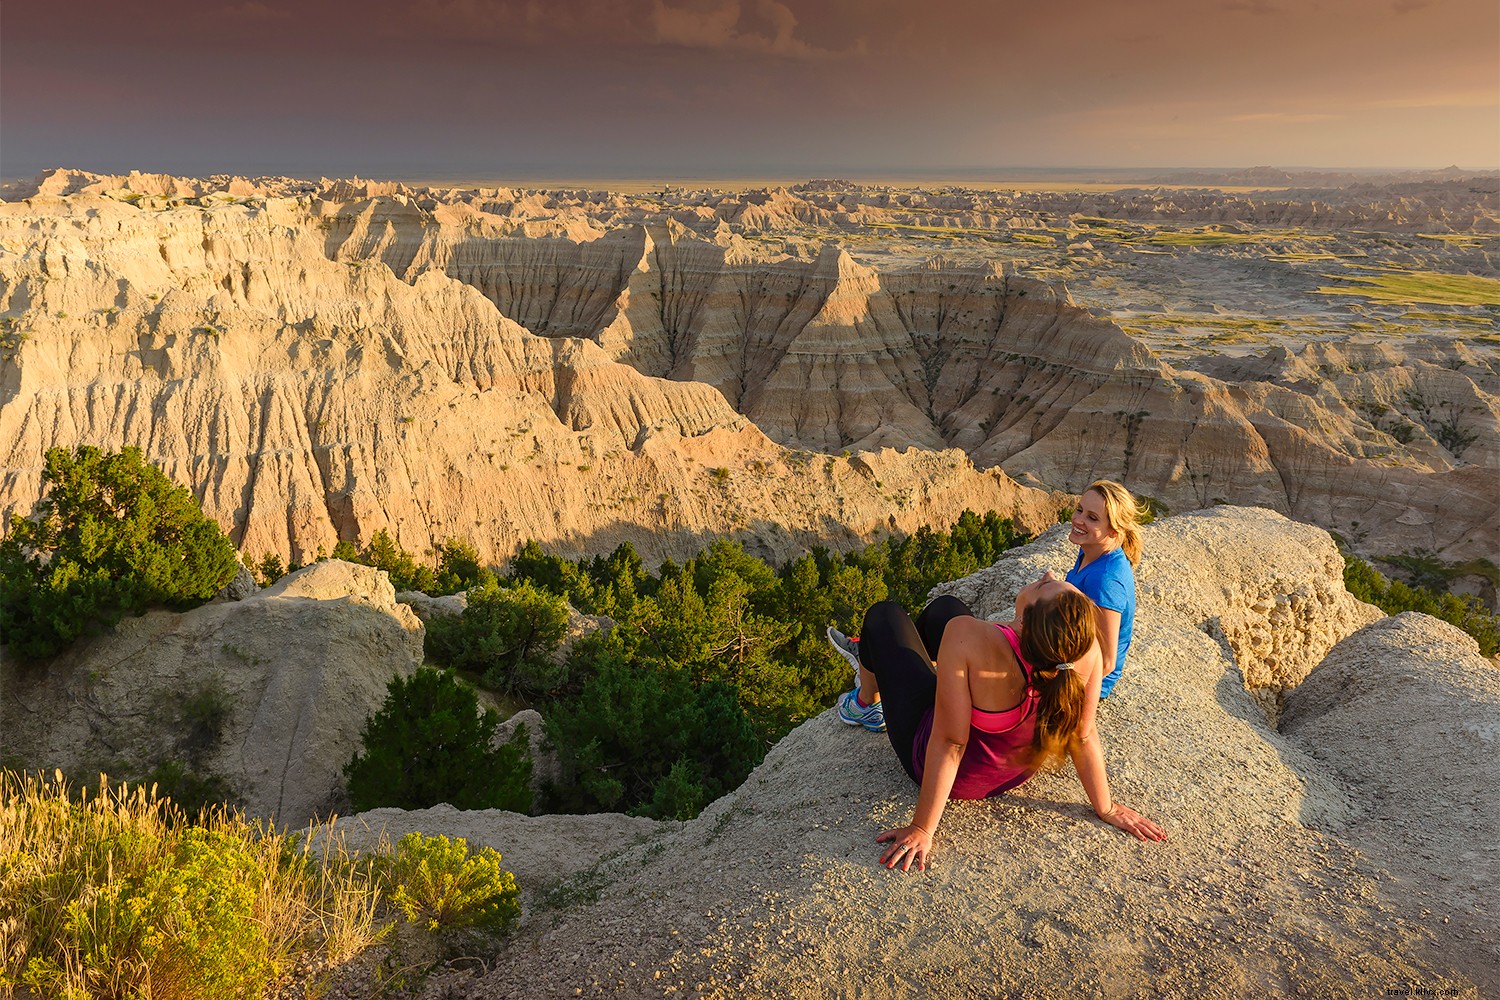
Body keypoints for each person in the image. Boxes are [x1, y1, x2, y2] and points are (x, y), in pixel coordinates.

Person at [829, 577, 1165, 873]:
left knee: (884, 617)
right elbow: (1084, 732)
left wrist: (922, 828)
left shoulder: (967, 636)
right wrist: (1105, 807)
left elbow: (950, 743)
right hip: (1013, 771)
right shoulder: (1081, 646)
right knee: (945, 608)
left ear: (1023, 622)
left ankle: (866, 705)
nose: (1046, 574)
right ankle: (924, 672)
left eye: (1046, 585)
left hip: (951, 770)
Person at [1065, 479, 1146, 701]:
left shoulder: (1105, 580)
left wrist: (1059, 692)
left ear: (1113, 530)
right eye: (1079, 510)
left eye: (1092, 518)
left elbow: (1107, 661)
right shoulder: (1092, 552)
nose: (1078, 520)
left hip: (1082, 683)